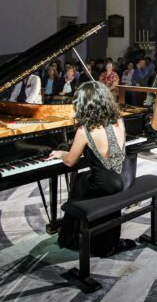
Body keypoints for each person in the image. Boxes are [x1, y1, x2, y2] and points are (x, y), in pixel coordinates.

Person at [49, 81, 133, 257]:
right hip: (122, 179)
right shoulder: (119, 120)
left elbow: (71, 161)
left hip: (103, 185)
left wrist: (61, 153)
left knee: (79, 183)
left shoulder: (85, 130)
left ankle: (72, 237)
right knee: (86, 178)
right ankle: (103, 239)